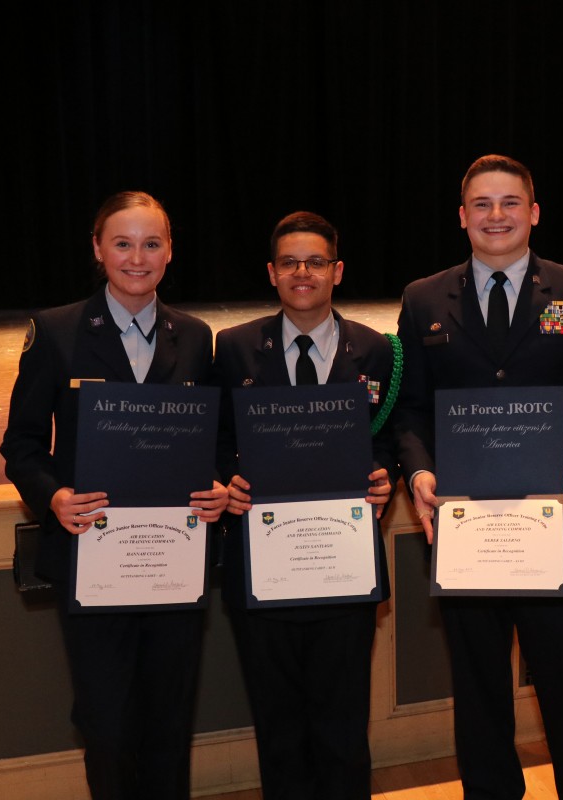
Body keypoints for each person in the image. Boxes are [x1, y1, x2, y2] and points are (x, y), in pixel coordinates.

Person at [392, 154, 563, 800]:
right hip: (468, 529)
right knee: (478, 694)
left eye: (509, 203)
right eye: (481, 204)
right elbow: (410, 408)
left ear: (533, 212)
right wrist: (418, 471)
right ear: (462, 216)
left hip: (558, 524)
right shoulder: (422, 300)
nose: (495, 216)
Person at [0, 190, 229, 799]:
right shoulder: (56, 332)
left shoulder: (197, 337)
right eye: (122, 243)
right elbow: (21, 446)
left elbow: (209, 443)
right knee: (105, 723)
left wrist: (214, 488)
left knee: (169, 723)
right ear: (98, 249)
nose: (137, 257)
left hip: (172, 564)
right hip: (93, 562)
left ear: (170, 251)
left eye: (151, 243)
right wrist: (53, 497)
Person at [212, 211, 397, 799]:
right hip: (263, 572)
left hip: (343, 570)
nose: (302, 272)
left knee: (344, 727)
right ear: (271, 272)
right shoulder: (234, 348)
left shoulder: (378, 351)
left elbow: (391, 440)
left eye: (315, 261)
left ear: (337, 271)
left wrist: (387, 477)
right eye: (289, 262)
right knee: (279, 729)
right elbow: (216, 443)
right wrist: (227, 482)